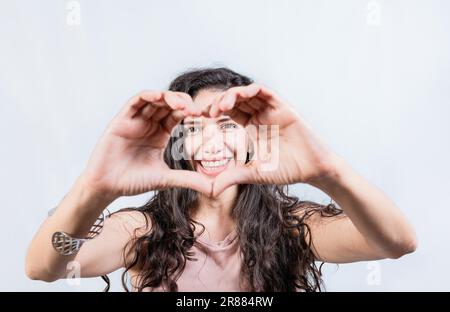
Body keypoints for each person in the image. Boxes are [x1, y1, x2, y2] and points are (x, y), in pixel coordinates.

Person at [25, 67, 417, 292]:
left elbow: (396, 242)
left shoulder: (292, 227)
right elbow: (45, 266)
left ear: (252, 134)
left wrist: (329, 172)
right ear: (176, 142)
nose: (211, 143)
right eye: (194, 127)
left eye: (227, 124)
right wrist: (93, 189)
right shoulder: (139, 230)